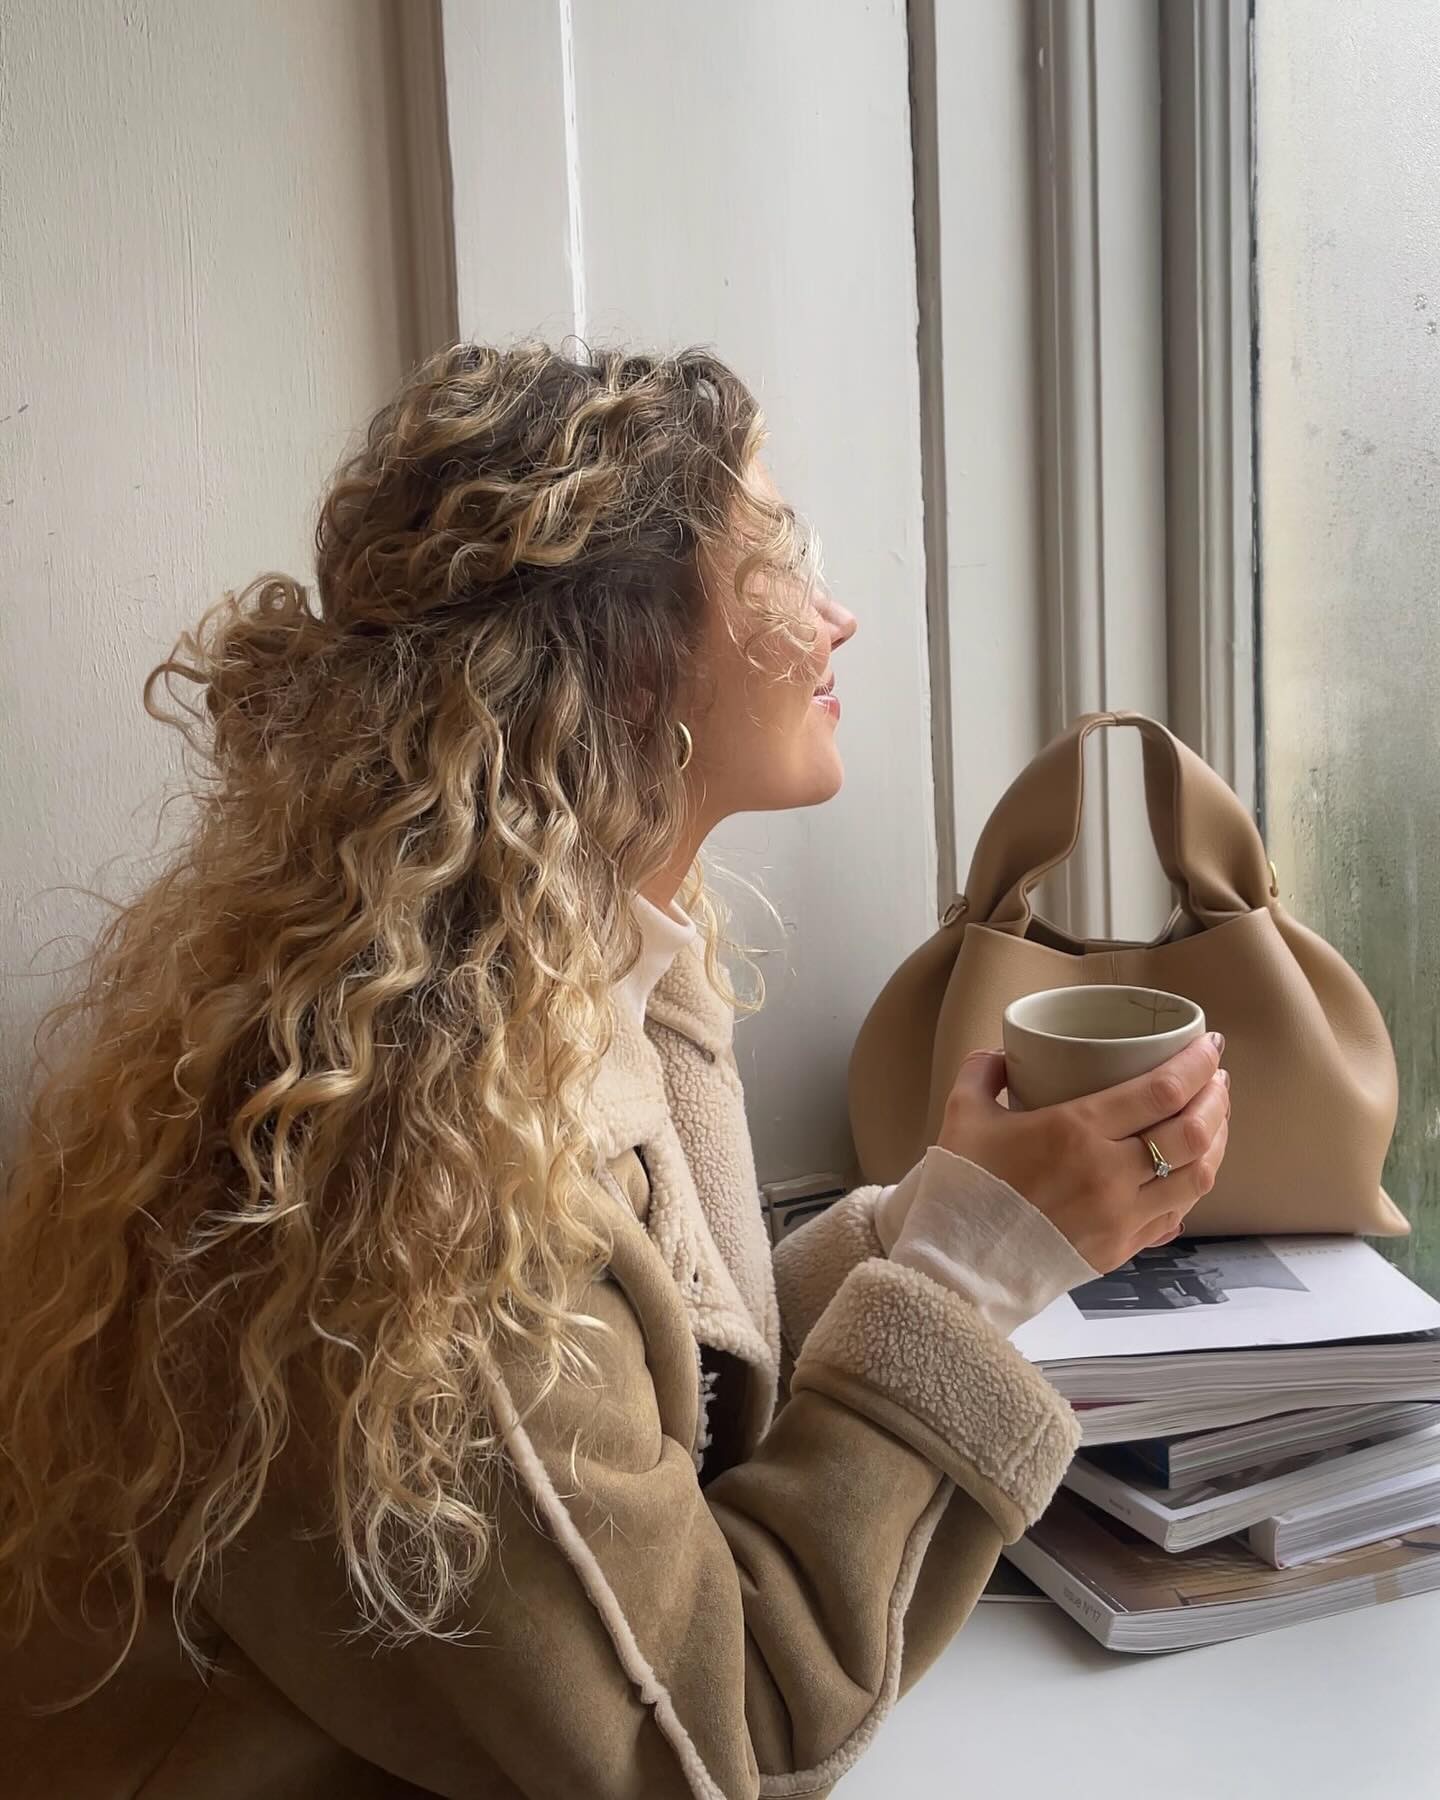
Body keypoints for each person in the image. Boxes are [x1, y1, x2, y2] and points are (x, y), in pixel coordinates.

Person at [0, 344, 1230, 1797]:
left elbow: (659, 1419)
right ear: (632, 650)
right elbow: (710, 1743)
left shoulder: (555, 988)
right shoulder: (413, 1177)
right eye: (774, 556)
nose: (837, 614)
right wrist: (971, 1267)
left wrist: (931, 1225)